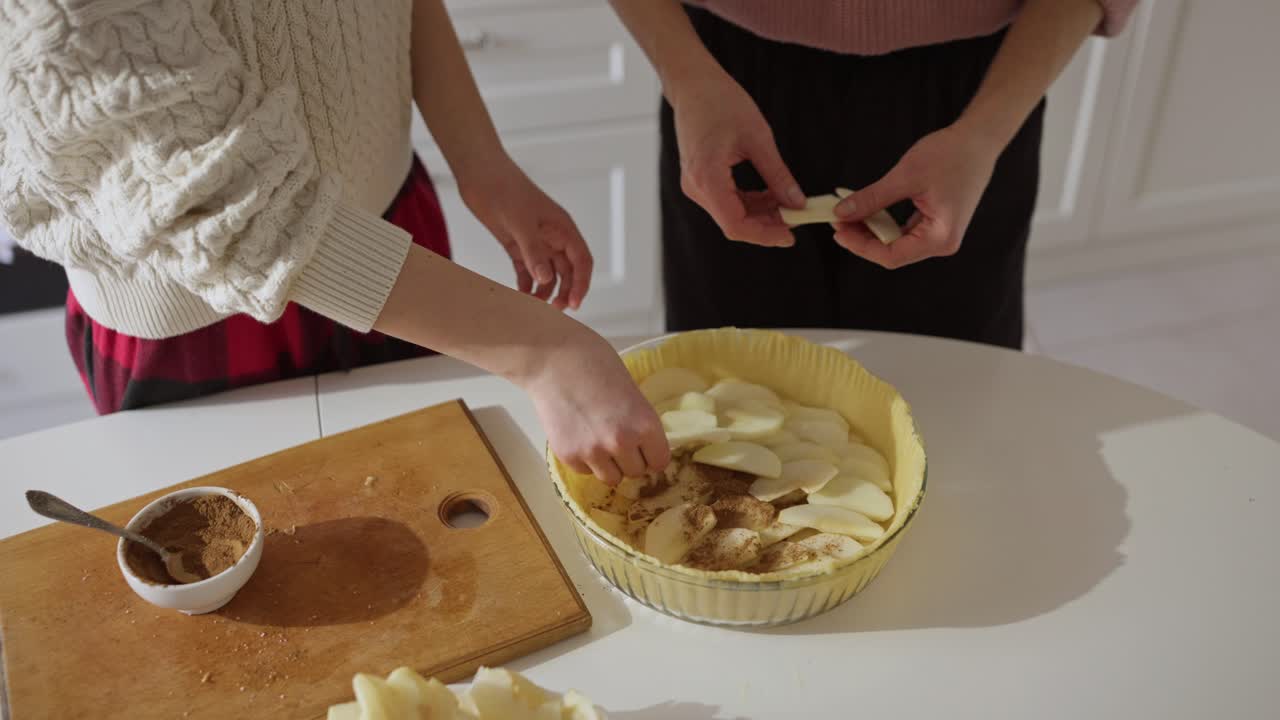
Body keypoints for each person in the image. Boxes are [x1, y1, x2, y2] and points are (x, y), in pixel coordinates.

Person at [0, 0, 667, 485]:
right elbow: (208, 196)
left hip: (392, 247)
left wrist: (482, 161)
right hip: (202, 311)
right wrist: (545, 351)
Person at [610, 0, 1138, 349]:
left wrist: (982, 132)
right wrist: (687, 78)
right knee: (724, 396)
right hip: (716, 75)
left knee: (948, 400)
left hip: (977, 95)